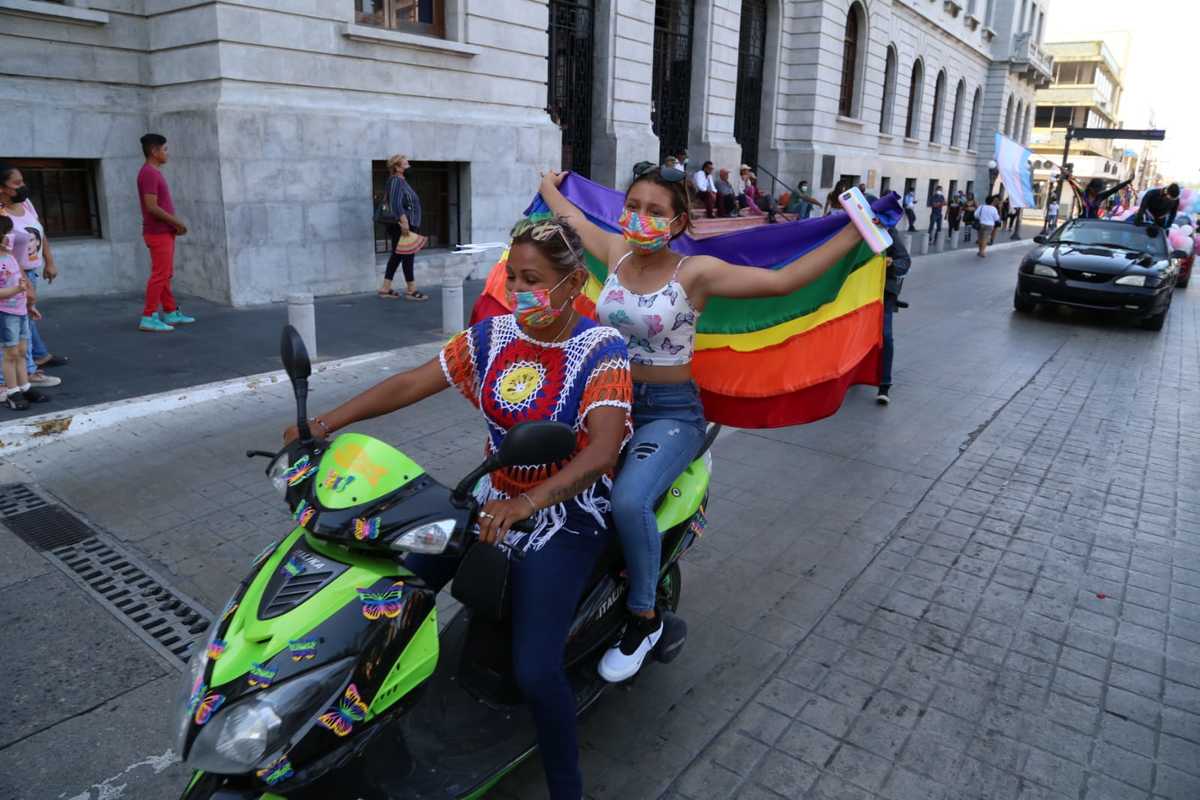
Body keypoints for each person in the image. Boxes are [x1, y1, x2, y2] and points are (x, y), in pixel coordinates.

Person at [288, 217, 631, 800]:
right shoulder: (493, 337)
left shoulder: (603, 349)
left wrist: (530, 501)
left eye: (536, 280)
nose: (523, 292)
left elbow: (601, 450)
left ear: (574, 284)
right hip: (488, 501)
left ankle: (568, 788)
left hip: (566, 512)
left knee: (536, 667)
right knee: (384, 585)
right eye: (514, 278)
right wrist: (319, 425)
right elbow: (409, 383)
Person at [538, 164, 865, 682]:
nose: (641, 219)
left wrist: (855, 228)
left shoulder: (696, 273)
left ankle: (644, 618)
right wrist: (548, 187)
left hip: (670, 412)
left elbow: (784, 280)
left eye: (656, 211)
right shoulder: (613, 253)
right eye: (634, 207)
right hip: (607, 403)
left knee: (628, 500)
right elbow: (571, 219)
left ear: (679, 221)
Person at [0, 164, 65, 390]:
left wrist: (49, 260)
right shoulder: (1, 213)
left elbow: (39, 231)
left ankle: (30, 366)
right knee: (16, 328)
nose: (22, 187)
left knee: (24, 322)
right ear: (2, 188)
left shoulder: (25, 203)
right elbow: (5, 251)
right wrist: (24, 282)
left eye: (22, 181)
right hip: (13, 276)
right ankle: (23, 375)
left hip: (31, 271)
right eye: (16, 184)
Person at [137, 134, 195, 332]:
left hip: (163, 231)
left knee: (165, 274)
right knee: (160, 275)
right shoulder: (149, 173)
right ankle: (148, 316)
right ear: (154, 151)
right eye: (165, 149)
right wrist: (177, 222)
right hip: (157, 232)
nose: (167, 153)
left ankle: (170, 311)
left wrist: (173, 226)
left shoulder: (152, 172)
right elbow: (151, 207)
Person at [0, 216, 49, 410]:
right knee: (10, 353)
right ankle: (12, 391)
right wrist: (17, 291)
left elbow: (20, 282)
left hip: (19, 311)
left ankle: (25, 386)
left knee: (21, 351)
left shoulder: (10, 257)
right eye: (6, 233)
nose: (11, 237)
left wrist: (29, 305)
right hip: (5, 314)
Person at [379, 154, 429, 301]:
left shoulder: (402, 181)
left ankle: (385, 288)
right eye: (406, 165)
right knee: (407, 256)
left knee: (397, 255)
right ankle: (411, 290)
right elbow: (395, 203)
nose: (409, 167)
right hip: (403, 225)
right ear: (397, 168)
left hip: (407, 223)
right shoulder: (395, 181)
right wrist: (404, 222)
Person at [878, 226, 911, 407]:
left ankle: (884, 385)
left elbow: (904, 260)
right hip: (854, 293)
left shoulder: (886, 230)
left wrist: (891, 263)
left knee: (885, 335)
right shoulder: (847, 229)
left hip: (883, 292)